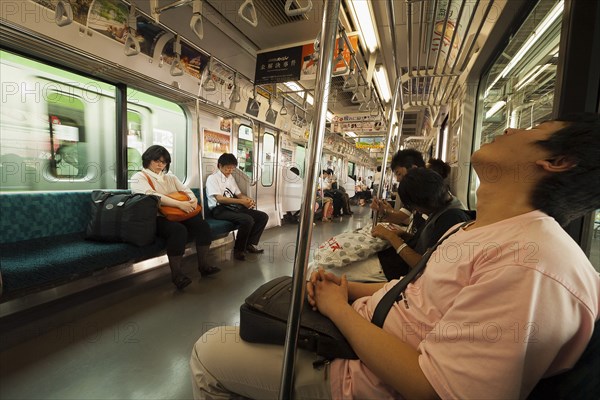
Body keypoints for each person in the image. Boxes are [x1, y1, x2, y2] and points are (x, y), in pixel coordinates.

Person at [190, 115, 600, 399]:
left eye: (532, 129)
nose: (511, 128)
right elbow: (416, 294)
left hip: (365, 377)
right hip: (363, 331)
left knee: (209, 350)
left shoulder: (531, 263)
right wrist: (347, 289)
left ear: (557, 161)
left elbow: (432, 389)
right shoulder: (478, 228)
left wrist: (339, 310)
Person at [131, 145, 220, 290]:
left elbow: (186, 190)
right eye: (157, 161)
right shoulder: (138, 177)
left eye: (164, 162)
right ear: (148, 160)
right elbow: (152, 196)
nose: (161, 165)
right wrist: (180, 204)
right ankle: (177, 275)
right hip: (155, 218)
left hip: (176, 213)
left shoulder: (170, 177)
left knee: (202, 225)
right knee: (178, 231)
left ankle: (204, 266)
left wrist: (192, 200)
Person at [205, 153, 268, 261]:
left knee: (262, 216)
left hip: (233, 207)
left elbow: (239, 194)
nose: (230, 171)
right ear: (220, 166)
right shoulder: (212, 178)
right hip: (219, 209)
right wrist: (241, 202)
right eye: (227, 168)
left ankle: (249, 244)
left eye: (232, 168)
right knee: (247, 219)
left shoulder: (230, 178)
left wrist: (247, 199)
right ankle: (238, 250)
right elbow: (219, 199)